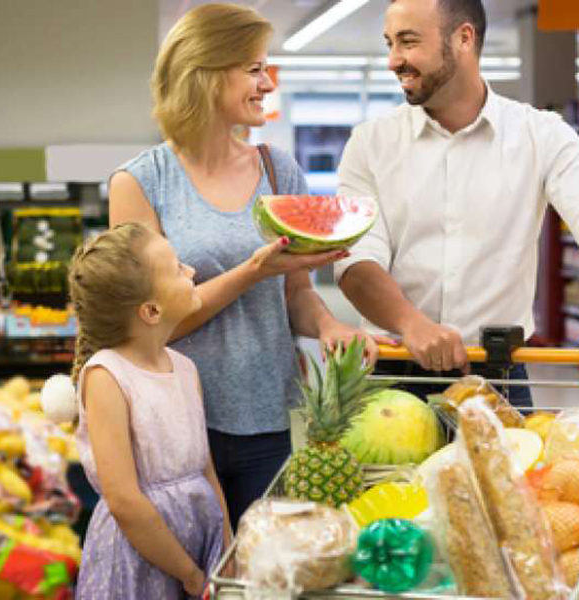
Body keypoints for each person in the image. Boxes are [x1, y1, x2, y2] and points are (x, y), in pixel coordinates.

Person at [108, 3, 380, 532]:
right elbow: (150, 323)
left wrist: (329, 326)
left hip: (267, 420)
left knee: (265, 573)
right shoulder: (141, 182)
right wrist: (252, 272)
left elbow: (296, 292)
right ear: (206, 74)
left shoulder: (279, 170)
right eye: (254, 69)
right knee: (190, 577)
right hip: (177, 427)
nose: (267, 83)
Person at [334, 0, 579, 403]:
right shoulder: (370, 143)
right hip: (392, 374)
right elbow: (357, 260)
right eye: (390, 43)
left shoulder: (542, 134)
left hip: (497, 377)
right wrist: (412, 324)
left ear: (464, 38)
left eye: (408, 42)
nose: (394, 60)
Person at [70, 223, 229, 599]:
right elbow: (124, 500)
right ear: (152, 310)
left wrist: (226, 544)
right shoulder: (107, 376)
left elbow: (204, 466)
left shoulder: (185, 368)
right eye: (177, 269)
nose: (191, 271)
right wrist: (189, 574)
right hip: (136, 560)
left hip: (198, 545)